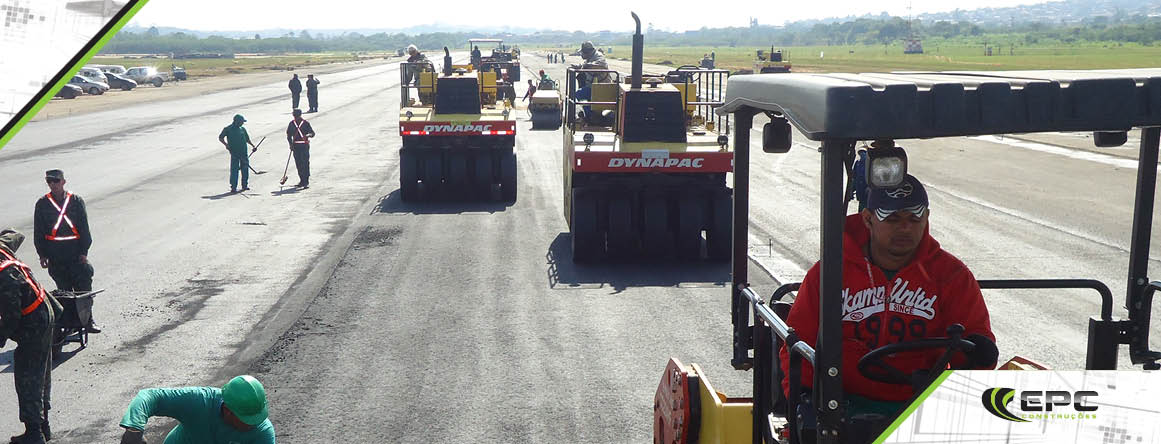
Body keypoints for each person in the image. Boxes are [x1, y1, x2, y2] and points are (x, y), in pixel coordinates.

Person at [780, 174, 996, 416]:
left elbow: (976, 340)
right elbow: (800, 341)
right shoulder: (829, 273)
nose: (905, 227)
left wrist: (979, 351)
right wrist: (803, 396)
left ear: (926, 217)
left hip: (923, 403)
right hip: (842, 404)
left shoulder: (951, 276)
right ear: (868, 219)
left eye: (914, 217)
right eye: (893, 218)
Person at [0, 229, 55, 444]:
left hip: (34, 322)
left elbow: (12, 316)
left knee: (27, 376)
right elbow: (15, 234)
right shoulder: (3, 249)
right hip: (46, 311)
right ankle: (43, 426)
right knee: (41, 374)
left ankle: (34, 434)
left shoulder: (3, 277)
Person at [118, 375, 275, 444]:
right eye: (247, 419)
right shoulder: (200, 402)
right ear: (227, 410)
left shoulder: (262, 433)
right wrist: (134, 429)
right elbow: (151, 396)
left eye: (257, 417)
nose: (254, 424)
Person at [33, 169, 97, 333]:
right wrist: (42, 255)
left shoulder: (75, 201)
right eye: (49, 181)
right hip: (56, 256)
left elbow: (84, 228)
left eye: (56, 180)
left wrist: (84, 251)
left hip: (76, 254)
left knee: (84, 289)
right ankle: (70, 324)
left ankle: (88, 320)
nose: (53, 184)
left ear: (63, 182)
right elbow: (38, 231)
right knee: (65, 292)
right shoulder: (42, 204)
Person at [217, 114, 259, 193]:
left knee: (245, 169)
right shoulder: (227, 129)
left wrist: (253, 146)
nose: (242, 123)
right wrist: (226, 145)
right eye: (241, 122)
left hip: (243, 152)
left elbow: (247, 139)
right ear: (236, 121)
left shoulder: (242, 129)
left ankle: (244, 185)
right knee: (234, 170)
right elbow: (220, 137)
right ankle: (233, 187)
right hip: (234, 153)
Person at [573, 41, 610, 121]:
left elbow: (600, 66)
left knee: (579, 94)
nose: (581, 55)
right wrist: (579, 67)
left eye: (582, 53)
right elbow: (585, 66)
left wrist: (586, 66)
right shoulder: (589, 58)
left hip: (602, 88)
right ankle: (590, 114)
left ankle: (591, 116)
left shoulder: (599, 56)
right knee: (580, 94)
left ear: (587, 52)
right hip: (593, 87)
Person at [286, 109, 316, 189]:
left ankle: (306, 180)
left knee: (305, 163)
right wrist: (290, 144)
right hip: (296, 146)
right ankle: (302, 180)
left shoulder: (305, 123)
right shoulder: (292, 124)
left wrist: (308, 135)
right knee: (298, 163)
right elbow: (288, 136)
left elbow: (312, 133)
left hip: (304, 145)